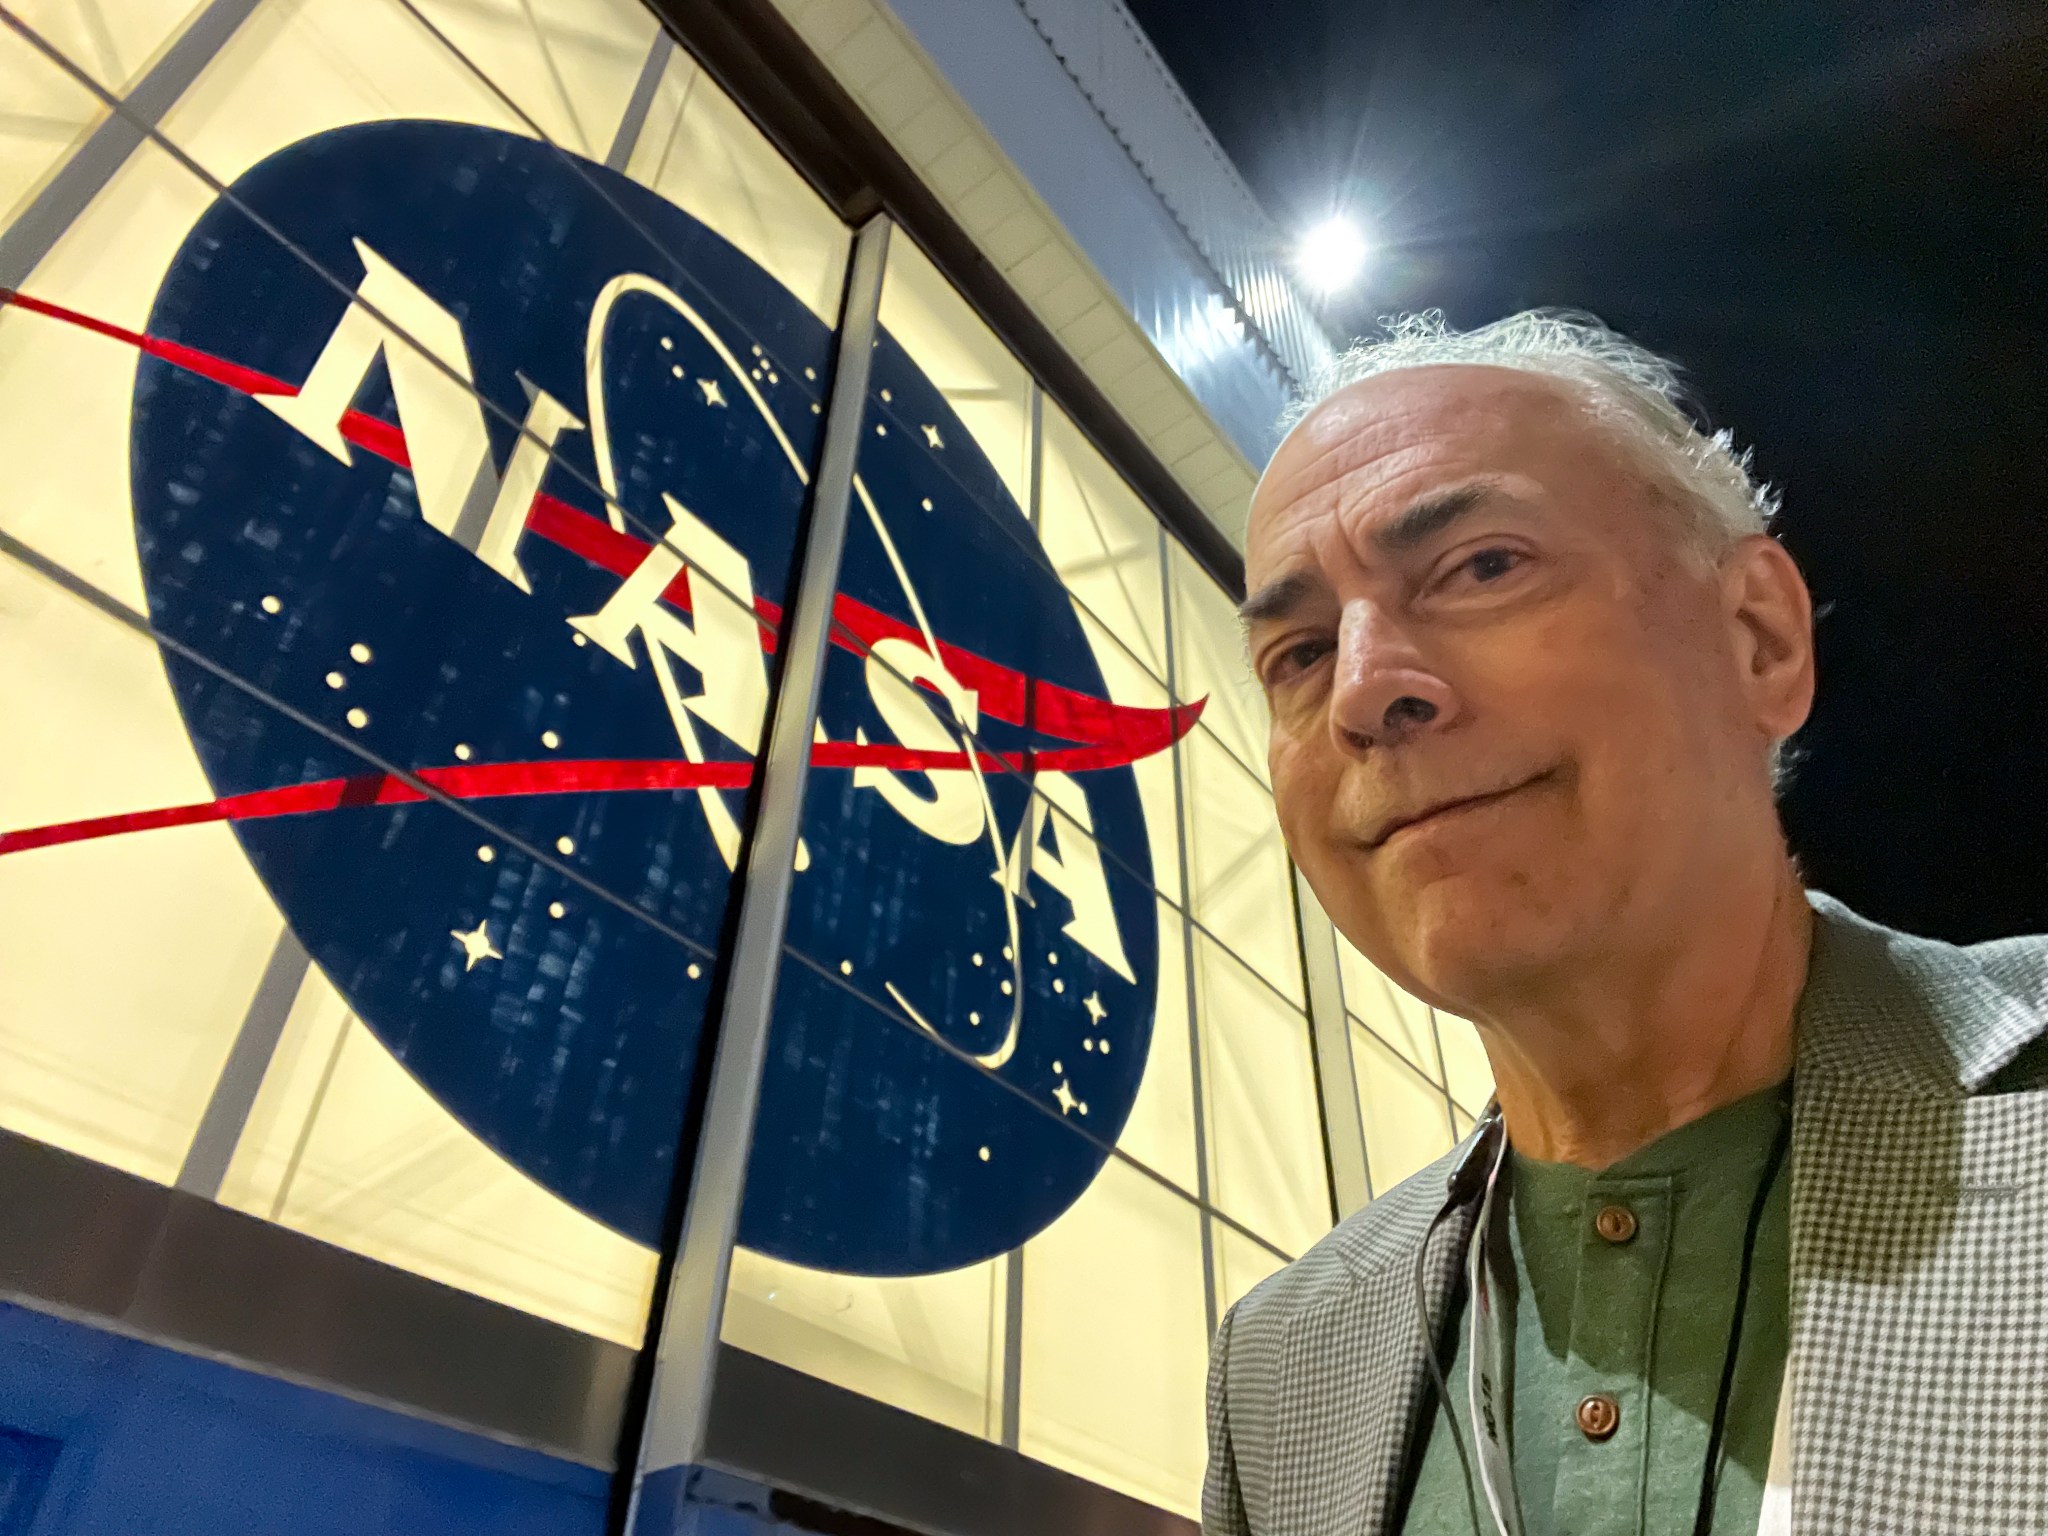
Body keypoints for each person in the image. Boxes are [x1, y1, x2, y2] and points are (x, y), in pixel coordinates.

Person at [1203, 311, 2048, 1536]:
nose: (1362, 689)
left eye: (1481, 567)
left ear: (1756, 637)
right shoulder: (1281, 1366)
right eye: (1295, 651)